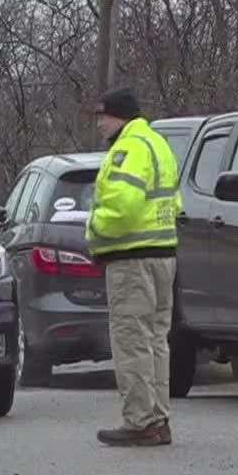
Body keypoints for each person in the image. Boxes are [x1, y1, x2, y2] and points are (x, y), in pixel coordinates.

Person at [86, 87, 181, 447]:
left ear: (120, 117)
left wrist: (94, 230)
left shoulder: (128, 148)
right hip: (162, 254)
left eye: (103, 117)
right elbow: (174, 200)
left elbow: (122, 207)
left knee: (131, 339)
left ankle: (140, 420)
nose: (99, 124)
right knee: (156, 340)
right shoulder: (157, 143)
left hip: (131, 258)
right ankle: (158, 417)